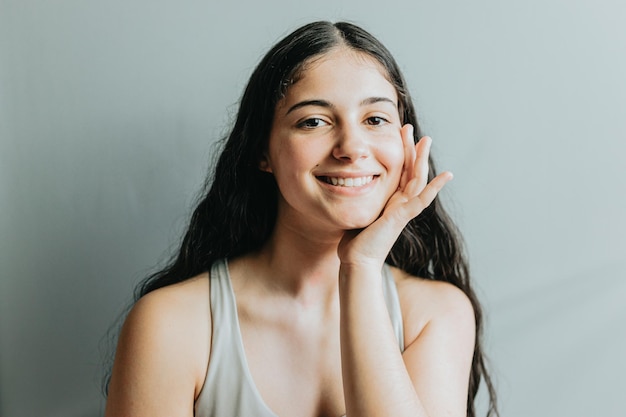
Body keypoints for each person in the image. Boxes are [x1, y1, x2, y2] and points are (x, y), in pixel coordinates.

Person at [104, 20, 498, 417]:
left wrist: (360, 268)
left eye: (375, 119)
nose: (352, 147)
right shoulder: (169, 326)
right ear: (262, 151)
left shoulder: (436, 314)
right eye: (314, 121)